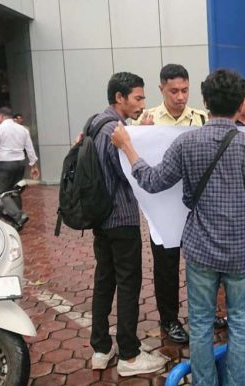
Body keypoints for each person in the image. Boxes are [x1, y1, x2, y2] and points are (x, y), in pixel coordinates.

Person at [111, 68, 245, 386]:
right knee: (242, 323)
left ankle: (204, 383)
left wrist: (128, 146)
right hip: (242, 250)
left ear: (205, 100)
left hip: (200, 248)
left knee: (200, 323)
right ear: (240, 101)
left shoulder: (188, 142)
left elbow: (152, 181)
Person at [86, 72, 168, 376]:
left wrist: (137, 132)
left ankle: (100, 347)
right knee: (129, 284)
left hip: (100, 218)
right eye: (138, 97)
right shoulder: (115, 130)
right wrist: (139, 145)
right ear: (119, 98)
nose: (142, 103)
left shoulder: (95, 123)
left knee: (104, 281)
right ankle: (130, 355)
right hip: (121, 219)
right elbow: (131, 174)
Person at [132, 63, 219, 343]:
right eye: (173, 91)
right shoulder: (146, 120)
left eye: (184, 90)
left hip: (198, 206)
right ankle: (169, 319)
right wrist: (141, 134)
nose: (180, 97)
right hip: (163, 209)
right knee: (166, 266)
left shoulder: (202, 119)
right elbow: (132, 157)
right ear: (161, 90)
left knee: (204, 264)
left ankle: (204, 311)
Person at [0, 107, 39, 230]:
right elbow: (29, 148)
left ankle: (18, 216)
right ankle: (17, 222)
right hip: (20, 163)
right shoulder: (22, 129)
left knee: (2, 193)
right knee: (15, 191)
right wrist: (34, 166)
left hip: (5, 164)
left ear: (1, 116)